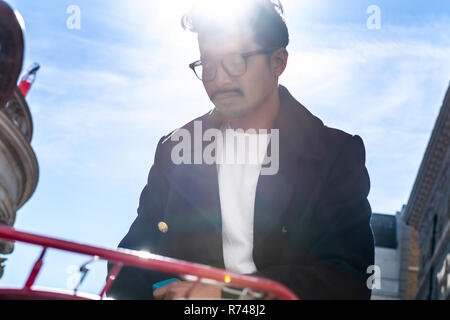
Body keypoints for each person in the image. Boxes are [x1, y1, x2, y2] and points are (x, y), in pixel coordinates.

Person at [106, 0, 375, 300]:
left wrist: (227, 296)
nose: (218, 79)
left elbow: (346, 281)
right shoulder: (175, 151)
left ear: (278, 62)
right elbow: (128, 264)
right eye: (207, 65)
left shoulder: (334, 154)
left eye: (235, 61)